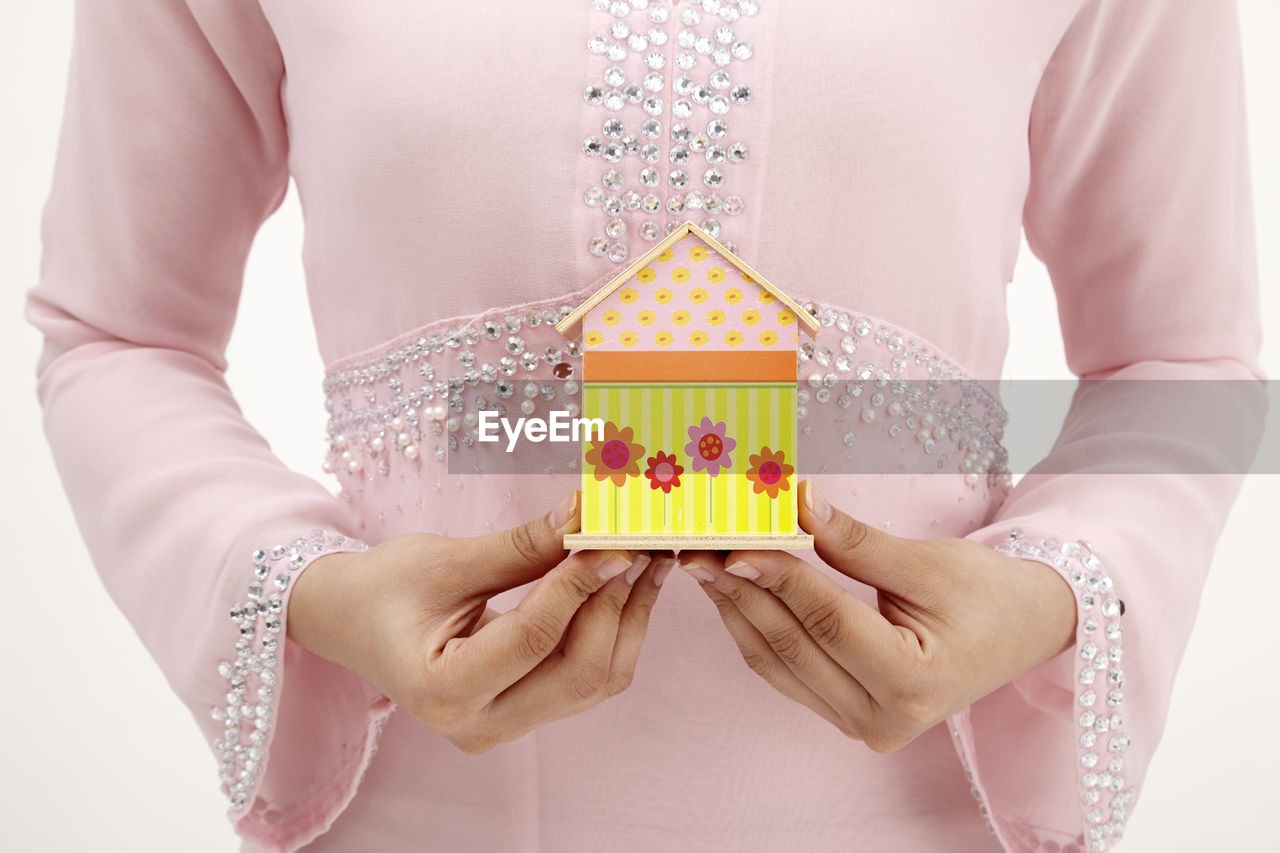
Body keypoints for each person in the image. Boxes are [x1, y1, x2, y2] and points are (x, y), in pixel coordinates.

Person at [27, 1, 1263, 851]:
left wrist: (1052, 593)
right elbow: (116, 334)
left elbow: (1187, 366)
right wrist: (299, 588)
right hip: (416, 813)